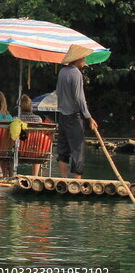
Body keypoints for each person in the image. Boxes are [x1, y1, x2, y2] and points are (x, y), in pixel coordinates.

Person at [56, 46, 97, 179]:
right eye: (83, 58)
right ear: (78, 59)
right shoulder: (76, 73)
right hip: (74, 116)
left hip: (63, 115)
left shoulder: (62, 72)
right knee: (77, 149)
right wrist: (89, 117)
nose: (85, 61)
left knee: (63, 148)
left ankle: (63, 178)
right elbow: (79, 98)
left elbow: (59, 93)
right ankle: (77, 181)